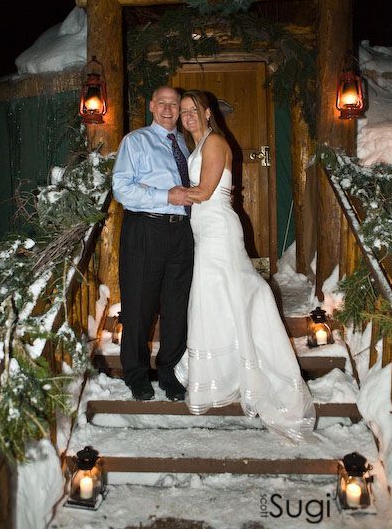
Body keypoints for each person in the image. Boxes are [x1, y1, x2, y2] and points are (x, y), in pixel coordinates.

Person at [174, 90, 315, 443]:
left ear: (208, 113)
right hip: (208, 229)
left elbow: (204, 192)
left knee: (222, 294)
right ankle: (228, 370)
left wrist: (168, 192)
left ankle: (245, 372)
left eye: (194, 110)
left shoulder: (215, 141)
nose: (188, 115)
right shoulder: (201, 142)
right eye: (183, 111)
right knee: (219, 297)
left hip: (218, 230)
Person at [112, 86, 193, 401]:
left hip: (182, 232)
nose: (169, 109)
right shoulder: (136, 141)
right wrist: (165, 196)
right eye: (163, 103)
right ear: (151, 106)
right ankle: (136, 374)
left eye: (174, 104)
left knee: (177, 306)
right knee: (139, 305)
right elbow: (122, 188)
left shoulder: (186, 145)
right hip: (145, 229)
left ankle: (170, 371)